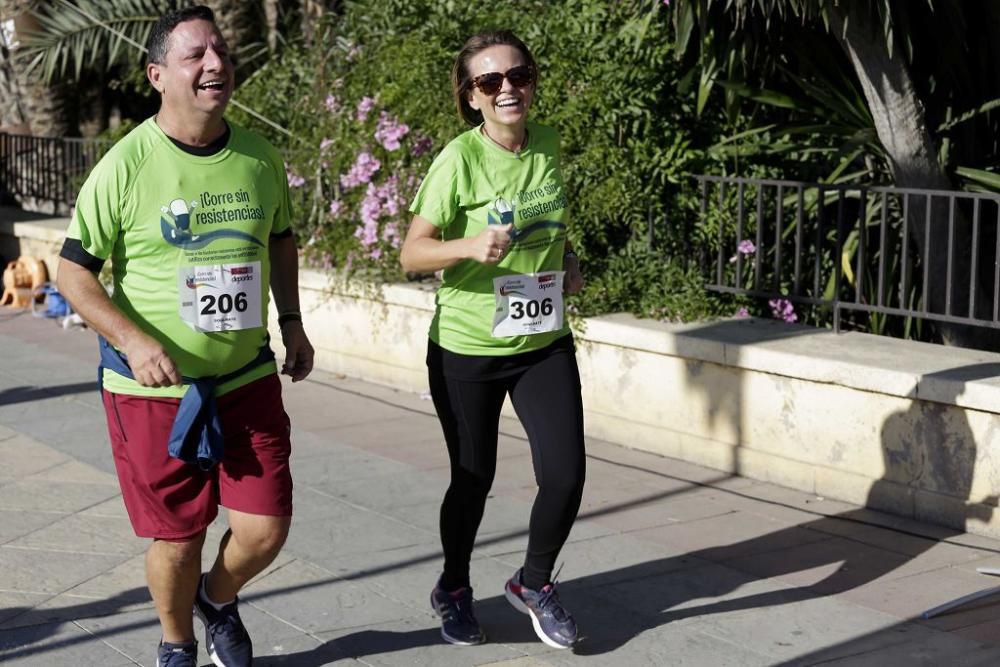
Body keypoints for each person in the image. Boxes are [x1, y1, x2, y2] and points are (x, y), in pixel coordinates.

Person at [56, 6, 313, 666]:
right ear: (157, 74)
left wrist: (292, 322)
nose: (216, 64)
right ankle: (177, 639)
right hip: (153, 392)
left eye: (221, 51)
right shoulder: (126, 165)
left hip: (246, 374)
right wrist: (133, 341)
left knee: (265, 528)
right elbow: (73, 274)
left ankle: (217, 597)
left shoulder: (258, 157)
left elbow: (281, 241)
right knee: (179, 535)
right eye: (195, 55)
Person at [400, 30, 586, 650]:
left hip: (542, 338)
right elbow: (411, 253)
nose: (508, 88)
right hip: (468, 347)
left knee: (564, 473)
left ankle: (534, 583)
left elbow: (549, 228)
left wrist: (569, 263)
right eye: (490, 81)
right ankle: (453, 587)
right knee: (473, 477)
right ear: (471, 97)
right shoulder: (458, 160)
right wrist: (468, 246)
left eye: (518, 75)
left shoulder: (550, 145)